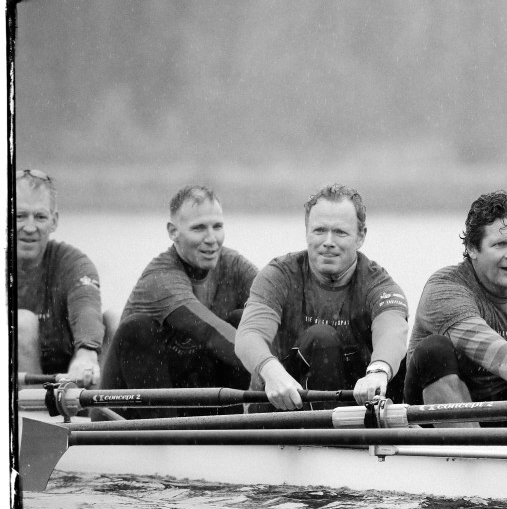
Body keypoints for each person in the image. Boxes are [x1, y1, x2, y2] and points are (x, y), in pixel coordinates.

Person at [235, 184, 409, 411]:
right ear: (306, 232)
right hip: (280, 404)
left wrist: (379, 370)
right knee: (321, 337)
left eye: (340, 232)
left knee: (401, 360)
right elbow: (249, 335)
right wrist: (271, 371)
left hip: (352, 405)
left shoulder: (377, 284)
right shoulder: (279, 275)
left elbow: (393, 331)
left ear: (360, 237)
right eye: (319, 231)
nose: (328, 241)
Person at [403, 190, 507, 428]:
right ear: (472, 248)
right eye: (501, 244)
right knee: (433, 350)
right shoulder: (445, 288)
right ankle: (469, 448)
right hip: (454, 412)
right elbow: (493, 353)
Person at [96, 185, 258, 419]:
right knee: (138, 328)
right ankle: (170, 433)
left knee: (245, 321)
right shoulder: (160, 278)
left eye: (217, 226)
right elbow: (211, 332)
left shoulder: (233, 265)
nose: (211, 239)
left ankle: (230, 426)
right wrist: (269, 367)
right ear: (173, 232)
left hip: (189, 402)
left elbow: (275, 306)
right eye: (199, 228)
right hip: (127, 413)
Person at [16, 169, 111, 388]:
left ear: (54, 221)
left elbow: (86, 307)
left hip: (70, 381)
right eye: (19, 216)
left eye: (40, 217)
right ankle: (33, 407)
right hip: (12, 389)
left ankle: (100, 407)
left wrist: (87, 351)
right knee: (23, 323)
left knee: (116, 321)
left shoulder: (74, 263)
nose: (29, 227)